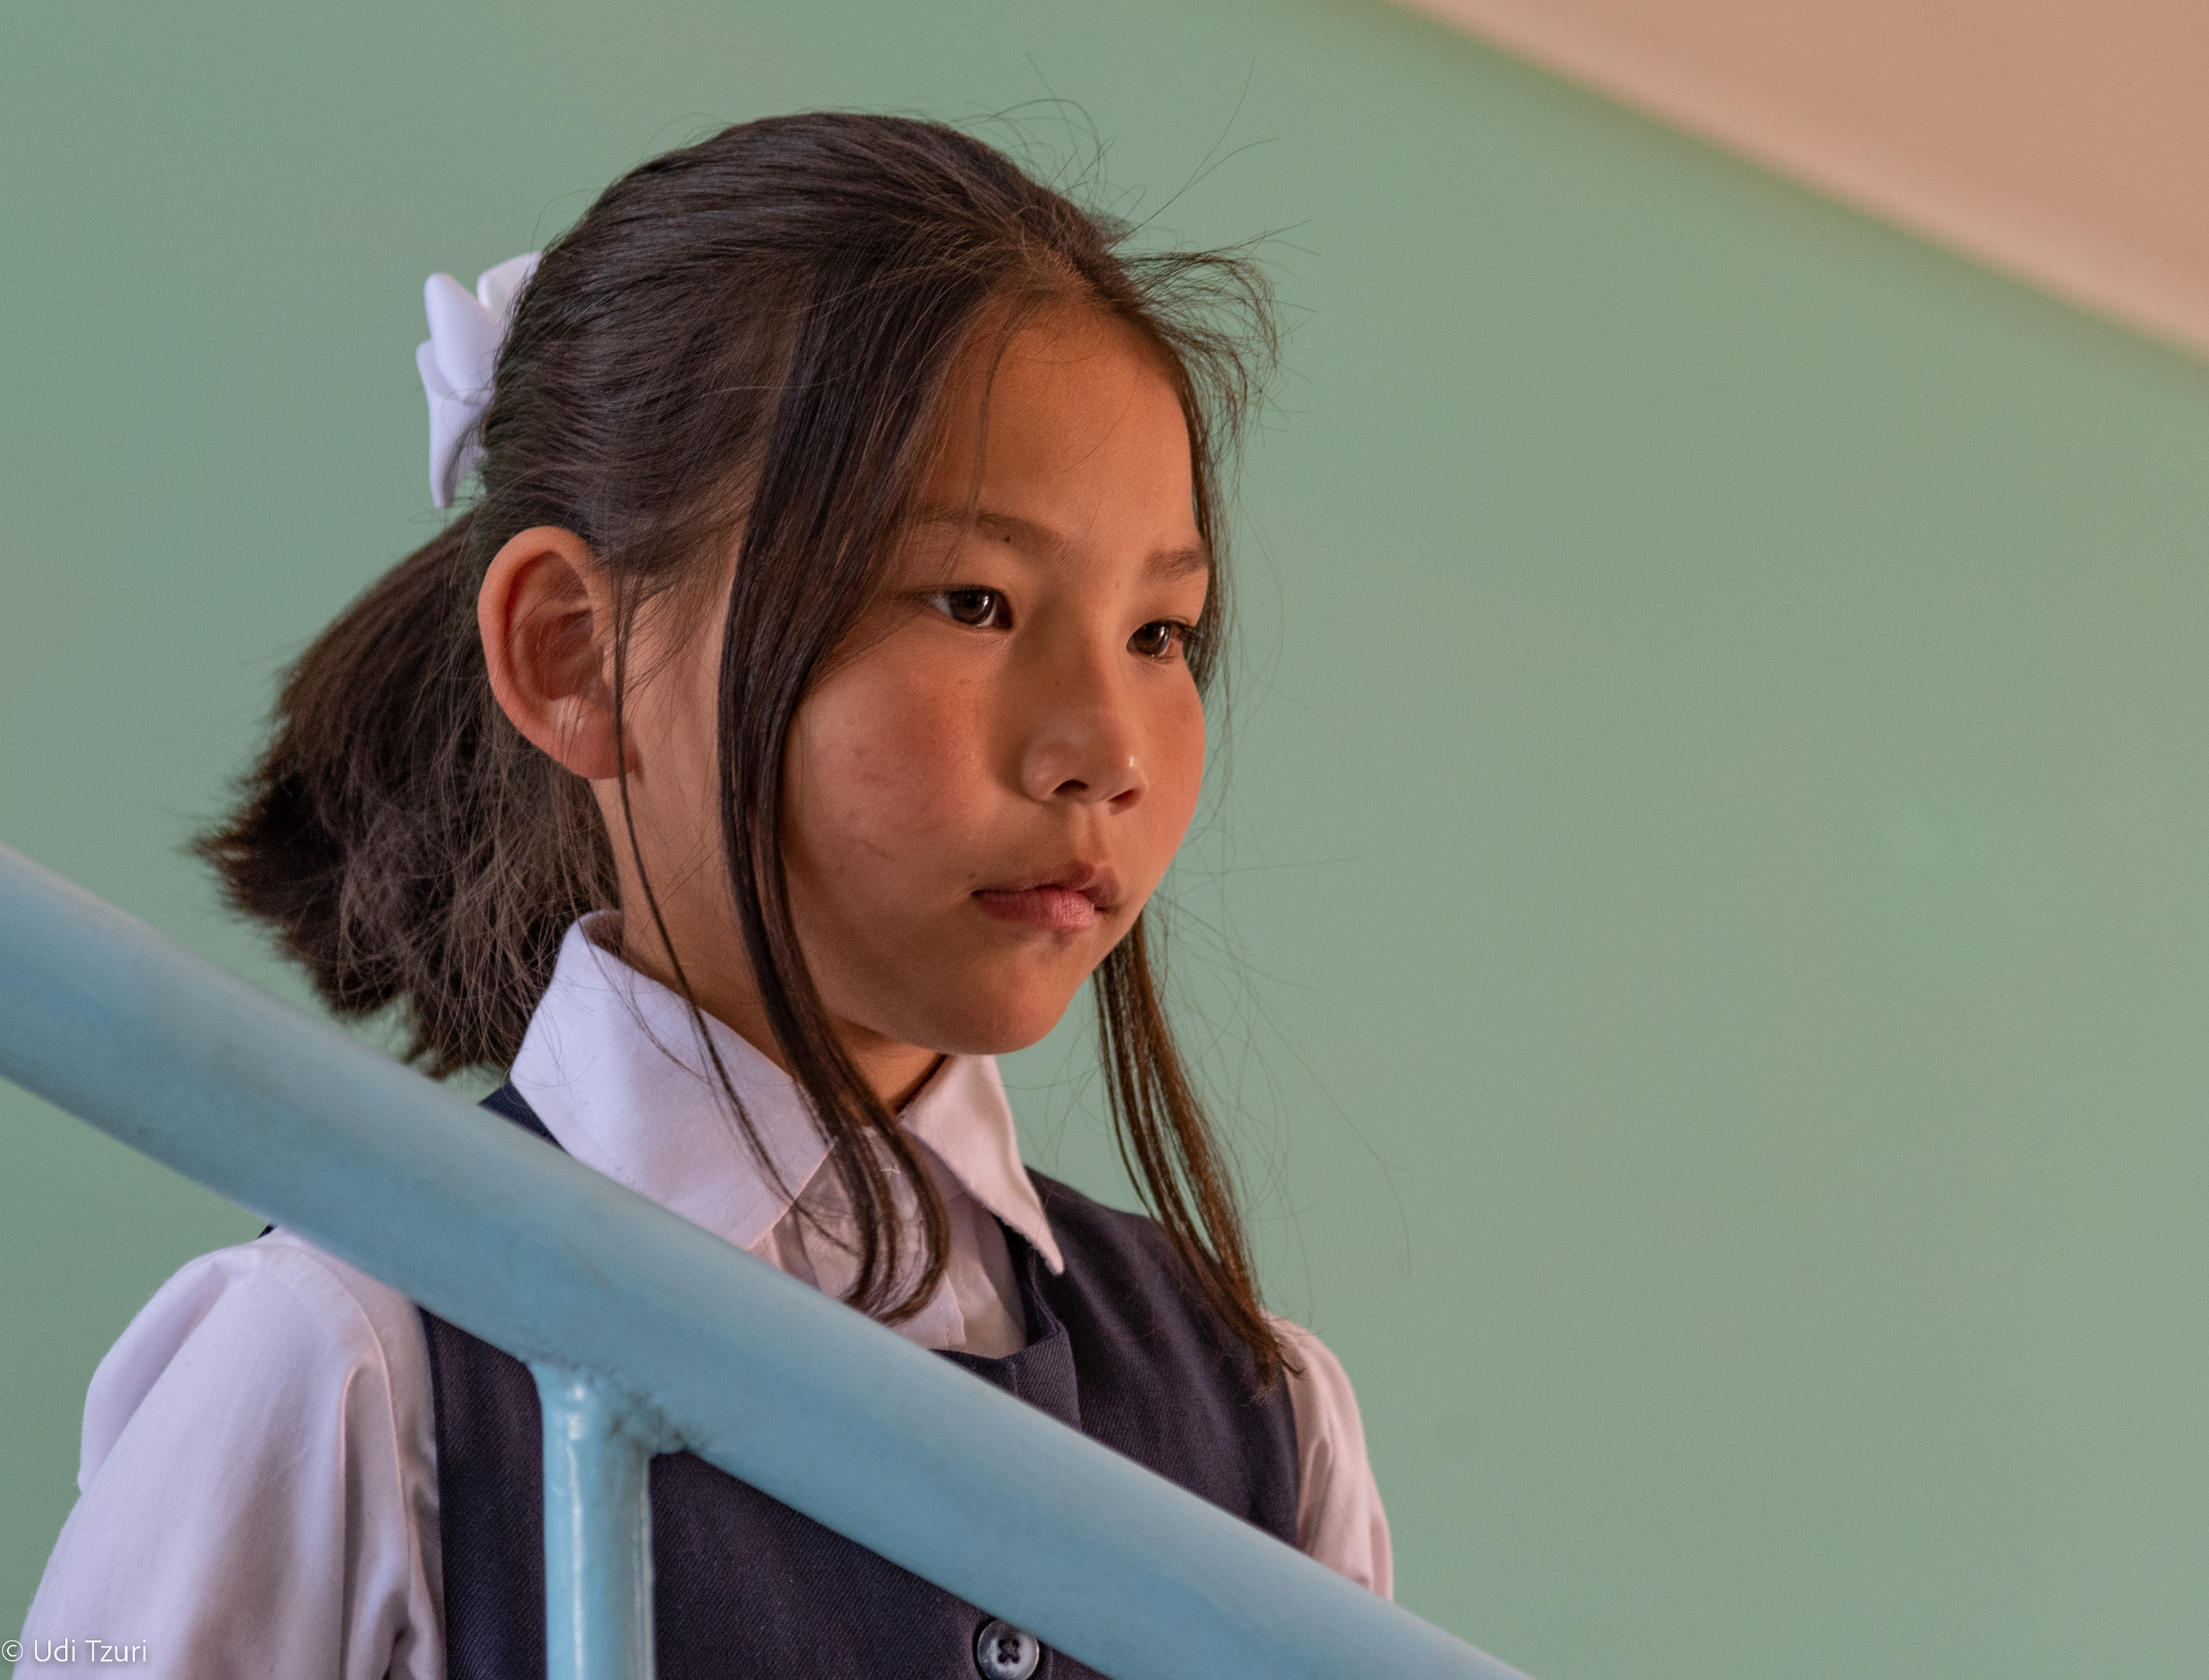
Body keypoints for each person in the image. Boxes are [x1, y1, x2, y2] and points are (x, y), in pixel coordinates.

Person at [16, 111, 1390, 1679]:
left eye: (1160, 634)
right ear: (574, 654)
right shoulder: (344, 1362)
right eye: (975, 601)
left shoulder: (1269, 1424)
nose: (1109, 751)